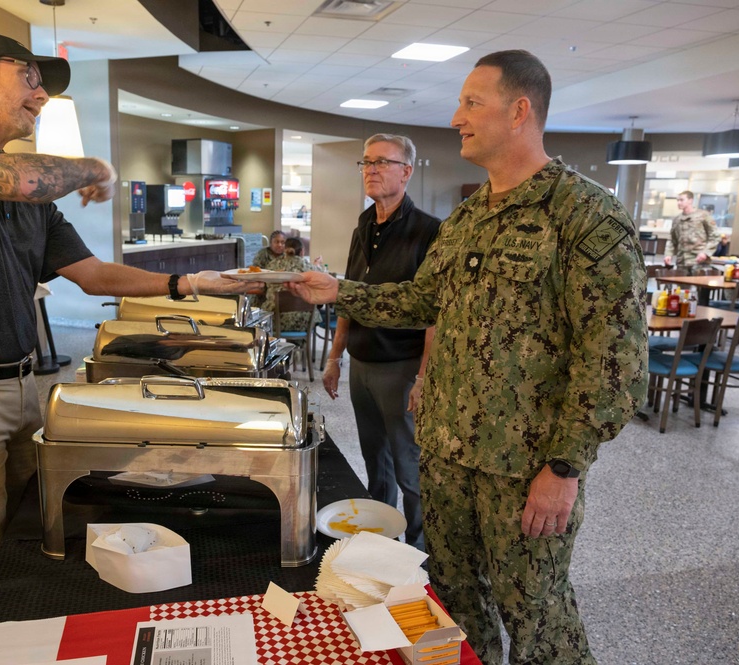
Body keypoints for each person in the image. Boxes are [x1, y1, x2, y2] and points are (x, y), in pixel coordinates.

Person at [0, 33, 259, 646]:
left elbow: (91, 275)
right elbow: (15, 179)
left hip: (29, 386)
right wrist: (95, 168)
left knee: (29, 535)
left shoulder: (33, 202)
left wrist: (188, 282)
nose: (41, 97)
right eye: (30, 77)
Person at [289, 50, 647, 664]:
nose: (456, 116)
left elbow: (614, 360)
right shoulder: (467, 221)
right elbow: (425, 300)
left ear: (520, 110)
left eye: (471, 103)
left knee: (535, 614)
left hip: (525, 466)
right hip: (449, 453)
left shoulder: (585, 214)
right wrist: (338, 291)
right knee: (454, 599)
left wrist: (564, 469)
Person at [322, 133, 440, 551]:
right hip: (362, 364)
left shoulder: (430, 230)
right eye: (366, 162)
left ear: (406, 171)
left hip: (403, 367)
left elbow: (435, 312)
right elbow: (349, 293)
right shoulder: (364, 224)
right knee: (376, 462)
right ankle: (382, 544)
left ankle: (420, 553)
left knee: (410, 468)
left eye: (382, 162)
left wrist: (425, 377)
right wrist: (335, 356)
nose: (370, 170)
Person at [262, 237, 321, 331]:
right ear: (302, 251)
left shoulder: (272, 265)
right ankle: (301, 345)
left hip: (275, 320)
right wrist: (317, 265)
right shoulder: (309, 267)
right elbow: (321, 276)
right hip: (305, 321)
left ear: (284, 250)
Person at [663, 191, 721, 272]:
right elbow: (672, 240)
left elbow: (715, 236)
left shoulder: (703, 216)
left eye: (682, 200)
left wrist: (705, 253)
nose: (679, 202)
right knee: (682, 284)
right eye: (678, 200)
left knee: (698, 284)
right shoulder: (677, 220)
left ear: (690, 200)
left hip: (699, 261)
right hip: (682, 262)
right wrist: (668, 254)